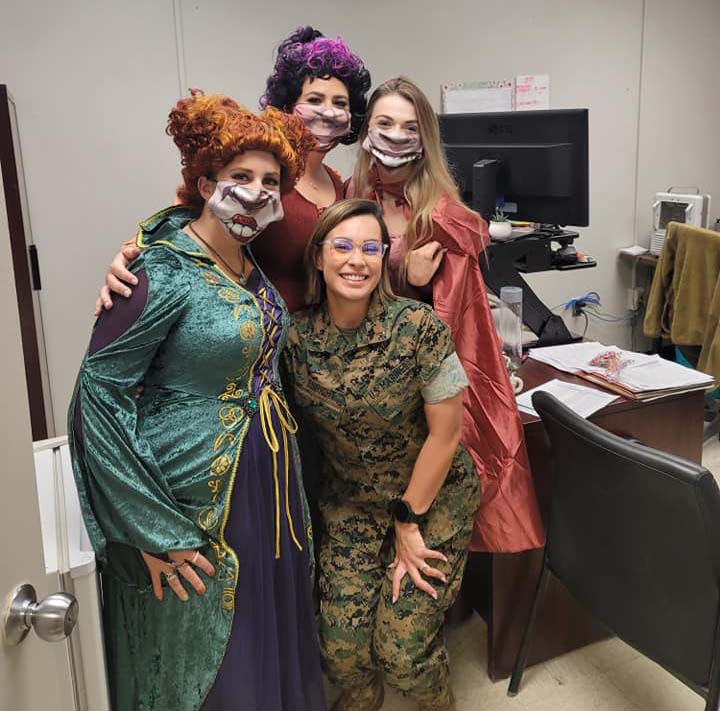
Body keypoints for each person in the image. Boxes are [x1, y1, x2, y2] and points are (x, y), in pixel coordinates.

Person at [68, 91, 324, 711]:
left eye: (270, 181)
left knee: (263, 619)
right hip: (191, 488)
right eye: (241, 177)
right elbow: (98, 393)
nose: (256, 192)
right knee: (207, 634)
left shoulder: (247, 261)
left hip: (266, 472)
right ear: (206, 183)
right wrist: (151, 529)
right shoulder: (160, 271)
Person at [282, 197, 481, 711]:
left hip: (430, 497)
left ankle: (439, 704)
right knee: (340, 652)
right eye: (342, 247)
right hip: (352, 502)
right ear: (318, 257)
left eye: (371, 249)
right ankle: (362, 697)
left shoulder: (418, 327)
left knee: (402, 652)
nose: (357, 261)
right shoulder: (294, 339)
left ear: (384, 258)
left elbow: (447, 435)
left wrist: (407, 523)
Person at [350, 77, 544, 553]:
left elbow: (452, 327)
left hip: (417, 394)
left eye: (410, 128)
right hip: (358, 387)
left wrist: (417, 284)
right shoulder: (352, 196)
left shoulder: (442, 216)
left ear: (425, 139)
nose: (396, 137)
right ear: (367, 129)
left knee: (422, 517)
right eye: (385, 124)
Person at [94, 26, 371, 316]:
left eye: (340, 103)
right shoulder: (255, 176)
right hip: (259, 330)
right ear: (289, 106)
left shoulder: (337, 183)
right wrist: (127, 259)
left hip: (319, 337)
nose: (328, 112)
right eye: (314, 100)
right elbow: (177, 228)